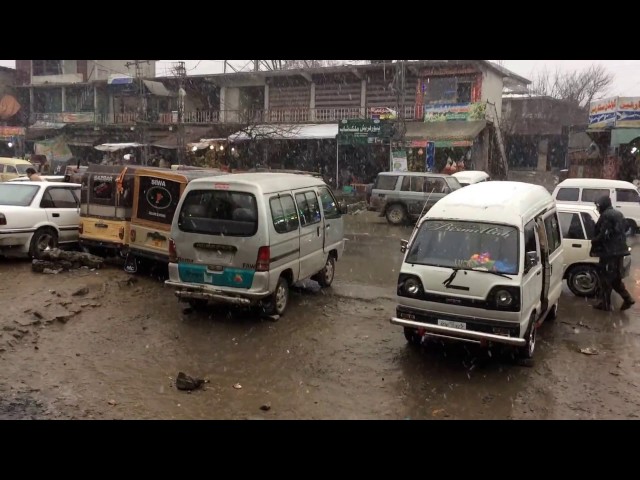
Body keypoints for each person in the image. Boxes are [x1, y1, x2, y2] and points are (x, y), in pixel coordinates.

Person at [590, 194, 635, 311]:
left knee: (605, 278)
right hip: (618, 252)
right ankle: (627, 299)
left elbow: (603, 234)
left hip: (609, 254)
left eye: (598, 206)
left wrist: (594, 241)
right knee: (614, 278)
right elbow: (625, 228)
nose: (597, 209)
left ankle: (605, 304)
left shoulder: (606, 216)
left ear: (603, 205)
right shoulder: (618, 214)